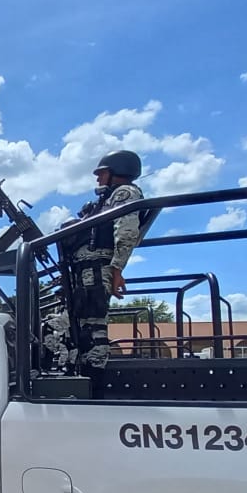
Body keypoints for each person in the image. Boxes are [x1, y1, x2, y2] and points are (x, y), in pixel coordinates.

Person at [58, 149, 146, 378]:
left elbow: (126, 233)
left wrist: (117, 270)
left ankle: (94, 378)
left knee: (93, 325)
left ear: (118, 171)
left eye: (102, 173)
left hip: (96, 271)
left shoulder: (125, 193)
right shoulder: (106, 199)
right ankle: (84, 372)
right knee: (80, 324)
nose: (98, 179)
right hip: (86, 270)